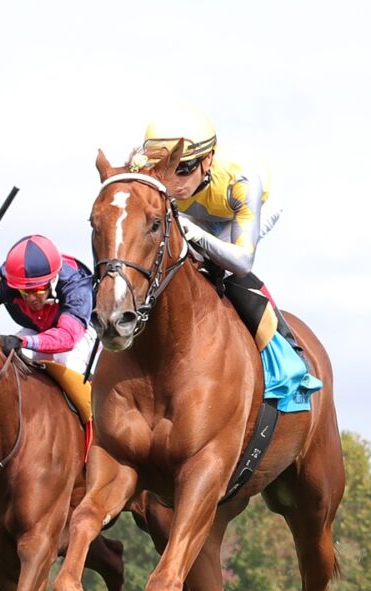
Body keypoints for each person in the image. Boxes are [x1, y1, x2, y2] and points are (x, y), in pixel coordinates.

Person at [138, 105, 322, 413]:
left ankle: (287, 354)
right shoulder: (144, 168)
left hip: (241, 210)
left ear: (207, 159)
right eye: (164, 169)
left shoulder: (242, 179)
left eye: (184, 169)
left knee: (223, 269)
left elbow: (241, 262)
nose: (173, 181)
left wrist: (192, 233)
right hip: (195, 213)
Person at [0, 234, 95, 425]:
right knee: (4, 359)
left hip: (78, 334)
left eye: (37, 290)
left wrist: (23, 341)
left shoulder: (76, 285)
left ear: (53, 281)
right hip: (35, 328)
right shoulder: (8, 279)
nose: (31, 298)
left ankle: (94, 430)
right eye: (24, 291)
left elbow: (67, 338)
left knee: (67, 362)